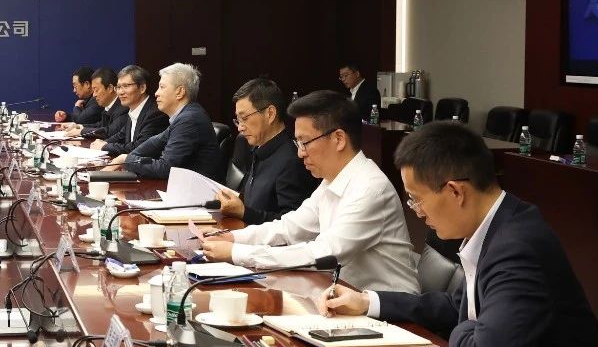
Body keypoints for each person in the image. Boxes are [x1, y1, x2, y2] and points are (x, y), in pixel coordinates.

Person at [324, 121, 598, 347]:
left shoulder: (516, 247)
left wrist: (463, 328)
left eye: (417, 199)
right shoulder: (498, 224)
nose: (417, 211)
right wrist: (368, 302)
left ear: (456, 191)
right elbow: (459, 306)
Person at [200, 90, 419, 293]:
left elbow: (322, 253)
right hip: (343, 295)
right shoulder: (331, 180)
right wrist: (232, 237)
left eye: (305, 142)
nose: (300, 153)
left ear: (338, 139)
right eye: (298, 143)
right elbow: (290, 228)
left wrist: (236, 252)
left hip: (388, 310)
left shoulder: (370, 189)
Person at [215, 78, 317, 225]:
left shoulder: (292, 160)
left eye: (244, 118)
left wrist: (244, 212)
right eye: (238, 120)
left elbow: (293, 226)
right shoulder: (258, 148)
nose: (240, 127)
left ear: (270, 114)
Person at [105, 63, 221, 180]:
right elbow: (154, 142)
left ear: (180, 92)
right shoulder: (184, 116)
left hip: (198, 189)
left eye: (162, 87)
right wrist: (125, 158)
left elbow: (166, 168)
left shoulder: (189, 119)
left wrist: (126, 160)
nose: (156, 93)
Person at [92, 65, 168, 156]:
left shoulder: (155, 114)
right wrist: (102, 143)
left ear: (142, 88)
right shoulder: (133, 109)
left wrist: (105, 146)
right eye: (118, 87)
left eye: (125, 86)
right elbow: (121, 135)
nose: (120, 92)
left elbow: (139, 147)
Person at [64, 67, 126, 141]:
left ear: (110, 88)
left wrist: (81, 132)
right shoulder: (108, 106)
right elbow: (101, 125)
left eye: (96, 90)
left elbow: (109, 131)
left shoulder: (123, 108)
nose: (94, 95)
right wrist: (79, 126)